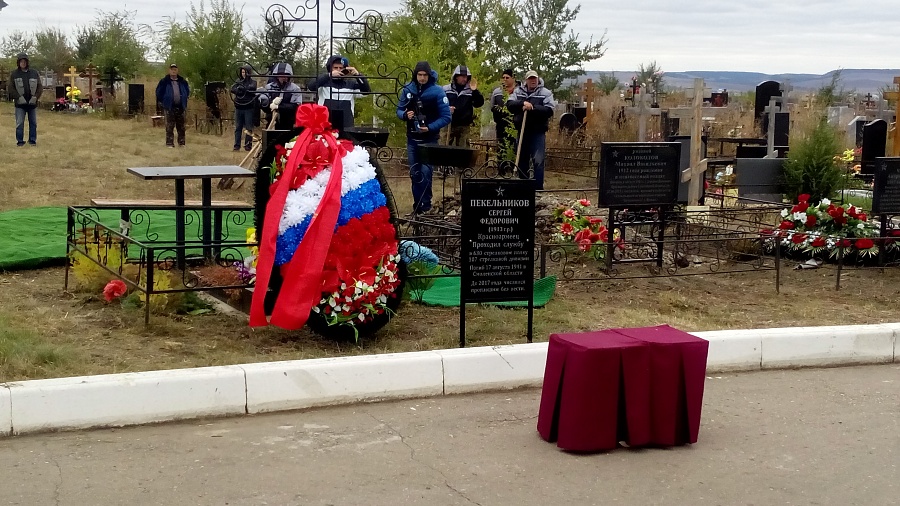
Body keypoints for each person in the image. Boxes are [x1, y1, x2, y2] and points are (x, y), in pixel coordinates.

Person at [396, 61, 451, 215]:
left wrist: (431, 127)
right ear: (416, 75)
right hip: (412, 139)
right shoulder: (408, 89)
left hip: (430, 140)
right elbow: (399, 110)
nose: (422, 78)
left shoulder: (438, 91)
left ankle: (426, 206)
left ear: (429, 75)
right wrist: (405, 115)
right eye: (419, 75)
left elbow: (446, 117)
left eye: (424, 75)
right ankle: (417, 206)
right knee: (415, 174)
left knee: (426, 173)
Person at [506, 69, 556, 189]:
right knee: (522, 159)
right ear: (526, 80)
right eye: (530, 79)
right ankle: (524, 188)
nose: (533, 81)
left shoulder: (546, 93)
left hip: (538, 132)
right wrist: (522, 104)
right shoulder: (518, 91)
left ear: (538, 79)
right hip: (522, 131)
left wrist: (532, 108)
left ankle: (538, 189)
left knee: (538, 161)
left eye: (535, 78)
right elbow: (510, 105)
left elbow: (549, 110)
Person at [307, 55, 370, 135]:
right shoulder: (323, 84)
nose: (338, 70)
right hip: (325, 124)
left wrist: (358, 75)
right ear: (330, 69)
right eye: (335, 68)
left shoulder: (351, 84)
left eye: (341, 68)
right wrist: (329, 75)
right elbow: (310, 86)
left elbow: (366, 91)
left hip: (346, 125)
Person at [442, 65, 484, 146]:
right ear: (456, 77)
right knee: (444, 147)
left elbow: (479, 103)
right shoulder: (446, 89)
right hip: (448, 124)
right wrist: (447, 109)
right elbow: (440, 103)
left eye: (466, 77)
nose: (465, 79)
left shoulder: (470, 90)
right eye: (462, 77)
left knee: (463, 150)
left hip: (464, 125)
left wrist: (475, 91)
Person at [7, 53, 42, 146]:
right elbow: (10, 88)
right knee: (19, 124)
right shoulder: (14, 74)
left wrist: (35, 97)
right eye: (21, 61)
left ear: (27, 62)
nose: (23, 63)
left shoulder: (34, 73)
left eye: (24, 61)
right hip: (20, 105)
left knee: (33, 123)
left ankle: (32, 140)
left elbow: (39, 87)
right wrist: (18, 98)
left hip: (32, 104)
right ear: (18, 63)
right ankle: (20, 141)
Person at [258, 62, 304, 130]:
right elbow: (263, 102)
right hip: (271, 121)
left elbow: (296, 106)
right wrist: (271, 104)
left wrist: (279, 106)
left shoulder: (295, 89)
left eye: (286, 75)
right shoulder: (269, 87)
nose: (284, 78)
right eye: (281, 75)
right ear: (276, 76)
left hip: (287, 121)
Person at [155, 63, 190, 147]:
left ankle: (181, 143)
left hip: (180, 106)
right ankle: (169, 143)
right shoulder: (164, 81)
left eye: (175, 69)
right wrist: (164, 101)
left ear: (177, 71)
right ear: (169, 70)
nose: (173, 71)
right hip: (169, 106)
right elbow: (158, 92)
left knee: (181, 126)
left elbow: (187, 91)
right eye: (172, 69)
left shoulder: (182, 81)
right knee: (170, 126)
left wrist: (184, 99)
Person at [490, 69, 517, 168]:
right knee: (501, 146)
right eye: (503, 77)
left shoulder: (518, 91)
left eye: (507, 78)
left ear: (513, 78)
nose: (505, 80)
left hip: (514, 124)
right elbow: (492, 106)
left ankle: (514, 167)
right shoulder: (497, 92)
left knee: (514, 146)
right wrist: (500, 112)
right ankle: (502, 167)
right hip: (501, 124)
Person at [230, 65, 257, 151]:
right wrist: (241, 90)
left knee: (249, 128)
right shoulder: (238, 81)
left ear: (249, 72)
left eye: (245, 72)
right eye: (242, 72)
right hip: (239, 107)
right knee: (238, 127)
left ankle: (248, 146)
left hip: (248, 107)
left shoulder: (253, 82)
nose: (243, 74)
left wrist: (243, 89)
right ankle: (237, 145)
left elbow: (252, 89)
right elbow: (233, 89)